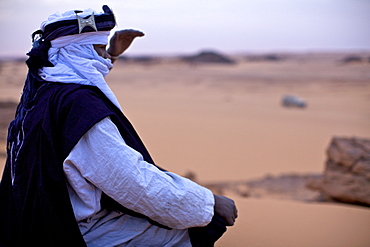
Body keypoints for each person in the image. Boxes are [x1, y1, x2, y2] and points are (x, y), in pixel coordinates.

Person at [0, 5, 237, 247]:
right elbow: (131, 182)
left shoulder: (43, 91)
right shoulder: (78, 107)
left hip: (37, 219)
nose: (103, 58)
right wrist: (207, 204)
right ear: (78, 52)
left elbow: (80, 71)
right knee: (191, 232)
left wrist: (110, 53)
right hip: (77, 227)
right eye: (98, 49)